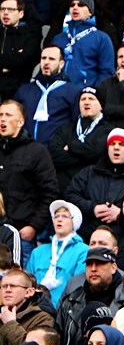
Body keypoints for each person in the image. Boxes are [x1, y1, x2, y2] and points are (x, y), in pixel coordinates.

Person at [0, 100, 59, 264]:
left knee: (19, 282)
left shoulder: (37, 152)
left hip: (22, 233)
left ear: (21, 122)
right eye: (0, 115)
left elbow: (50, 193)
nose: (2, 119)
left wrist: (34, 226)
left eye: (8, 115)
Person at [55, 247, 123, 345]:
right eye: (89, 264)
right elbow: (58, 340)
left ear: (113, 268)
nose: (93, 269)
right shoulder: (71, 302)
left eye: (99, 264)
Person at [49, 87, 114, 192]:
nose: (86, 102)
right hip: (63, 187)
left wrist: (70, 147)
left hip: (92, 188)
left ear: (101, 105)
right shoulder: (65, 129)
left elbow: (97, 153)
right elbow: (54, 156)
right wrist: (84, 158)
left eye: (91, 99)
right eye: (83, 99)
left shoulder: (108, 130)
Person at [25, 201, 88, 307]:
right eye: (56, 216)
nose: (59, 219)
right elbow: (27, 281)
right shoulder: (38, 252)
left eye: (65, 216)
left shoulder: (83, 251)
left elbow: (78, 287)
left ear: (74, 222)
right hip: (34, 310)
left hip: (63, 311)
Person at [0, 271, 55, 345]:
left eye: (13, 286)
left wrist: (10, 324)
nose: (7, 290)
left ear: (29, 292)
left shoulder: (43, 318)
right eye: (4, 286)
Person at [0, 0, 41, 101]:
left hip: (18, 87)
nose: (5, 12)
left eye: (10, 9)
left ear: (21, 14)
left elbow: (24, 60)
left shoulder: (30, 35)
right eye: (2, 9)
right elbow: (16, 60)